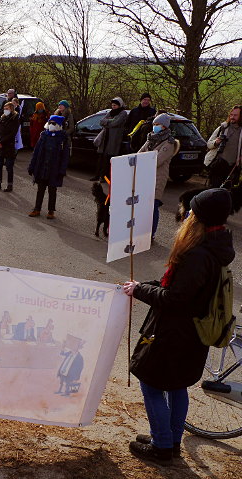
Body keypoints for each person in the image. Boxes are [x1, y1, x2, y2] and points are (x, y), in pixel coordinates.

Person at [122, 188, 235, 466]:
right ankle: (170, 442)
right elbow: (175, 287)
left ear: (199, 219)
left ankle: (162, 446)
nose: (186, 213)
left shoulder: (198, 254)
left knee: (151, 384)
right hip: (192, 334)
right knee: (176, 386)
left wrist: (140, 291)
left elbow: (176, 299)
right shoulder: (214, 247)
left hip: (175, 334)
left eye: (191, 209)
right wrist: (143, 286)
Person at [138, 113, 179, 240]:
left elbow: (157, 161)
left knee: (153, 205)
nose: (154, 127)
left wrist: (144, 160)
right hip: (146, 176)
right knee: (143, 205)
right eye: (154, 124)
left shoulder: (169, 143)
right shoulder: (151, 139)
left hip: (158, 178)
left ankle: (151, 233)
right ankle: (141, 230)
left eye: (157, 125)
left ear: (164, 126)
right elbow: (140, 153)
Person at [27, 115, 71, 219]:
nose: (51, 125)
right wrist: (31, 166)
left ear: (59, 125)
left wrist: (62, 170)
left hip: (54, 168)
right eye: (50, 122)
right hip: (42, 167)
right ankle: (37, 209)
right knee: (40, 189)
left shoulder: (63, 138)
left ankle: (51, 211)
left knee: (52, 190)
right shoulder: (43, 135)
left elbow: (65, 156)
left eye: (54, 123)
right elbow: (36, 152)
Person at [91, 97, 128, 181]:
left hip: (114, 138)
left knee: (108, 159)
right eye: (112, 105)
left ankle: (104, 177)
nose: (113, 107)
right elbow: (101, 121)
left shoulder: (123, 113)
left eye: (115, 105)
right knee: (101, 158)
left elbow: (115, 123)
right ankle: (97, 175)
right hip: (105, 138)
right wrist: (110, 121)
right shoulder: (111, 112)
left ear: (119, 105)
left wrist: (108, 122)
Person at [205, 105, 242, 188]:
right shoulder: (222, 128)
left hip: (233, 168)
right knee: (213, 192)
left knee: (227, 194)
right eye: (231, 115)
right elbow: (209, 144)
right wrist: (216, 142)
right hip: (218, 165)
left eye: (235, 115)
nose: (232, 117)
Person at [0, 101, 20, 192]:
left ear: (11, 109)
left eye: (6, 109)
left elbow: (12, 133)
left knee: (9, 166)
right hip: (0, 146)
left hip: (8, 145)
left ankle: (9, 185)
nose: (5, 110)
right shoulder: (2, 118)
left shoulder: (15, 119)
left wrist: (2, 141)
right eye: (4, 109)